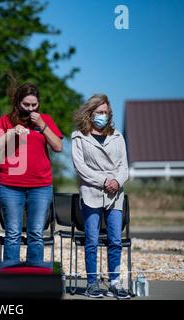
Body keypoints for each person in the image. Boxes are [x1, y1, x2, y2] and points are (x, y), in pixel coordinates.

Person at [0, 82, 63, 267]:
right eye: (26, 105)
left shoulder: (44, 120)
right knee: (13, 233)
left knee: (36, 233)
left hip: (40, 186)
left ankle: (33, 279)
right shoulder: (5, 121)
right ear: (17, 103)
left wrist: (43, 126)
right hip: (10, 186)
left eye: (34, 105)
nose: (30, 109)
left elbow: (58, 147)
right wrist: (12, 132)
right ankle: (10, 281)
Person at [71, 94, 130, 299]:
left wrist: (117, 181)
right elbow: (81, 168)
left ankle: (114, 282)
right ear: (90, 113)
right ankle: (92, 283)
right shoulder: (79, 137)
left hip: (115, 195)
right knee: (92, 240)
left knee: (115, 239)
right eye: (99, 112)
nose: (103, 116)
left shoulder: (118, 136)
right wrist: (104, 181)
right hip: (92, 193)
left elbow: (124, 166)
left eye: (105, 112)